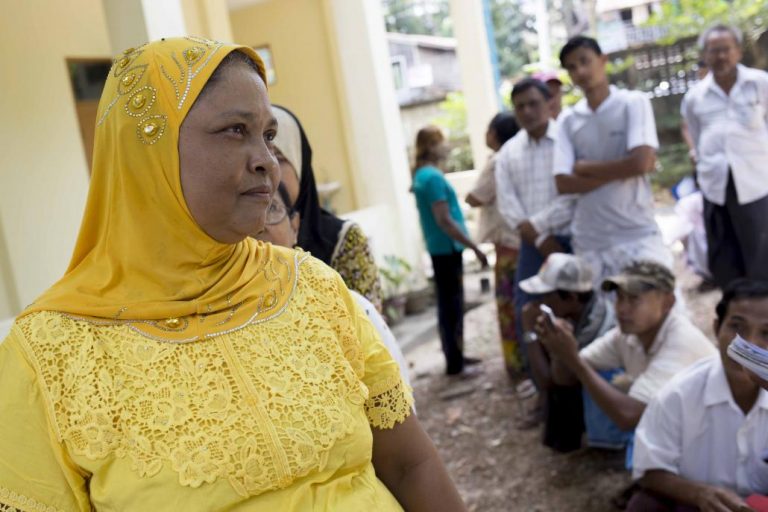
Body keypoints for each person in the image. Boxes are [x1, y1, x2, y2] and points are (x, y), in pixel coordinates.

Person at [0, 38, 466, 511]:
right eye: (234, 130)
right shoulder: (51, 354)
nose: (266, 158)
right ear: (148, 152)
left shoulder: (311, 288)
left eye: (266, 133)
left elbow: (410, 465)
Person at [538, 261, 716, 458]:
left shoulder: (680, 342)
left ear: (667, 303)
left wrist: (572, 359)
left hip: (708, 442)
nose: (622, 309)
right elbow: (566, 378)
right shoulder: (626, 335)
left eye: (634, 300)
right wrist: (558, 351)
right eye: (619, 298)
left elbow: (629, 416)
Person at [630, 279, 768, 512]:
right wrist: (699, 493)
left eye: (766, 332)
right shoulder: (677, 396)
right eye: (737, 327)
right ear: (716, 329)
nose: (750, 345)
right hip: (698, 507)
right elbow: (649, 471)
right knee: (645, 505)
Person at [256, 183, 412, 388]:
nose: (257, 226)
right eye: (241, 214)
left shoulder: (343, 305)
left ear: (295, 226)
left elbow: (395, 404)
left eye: (271, 209)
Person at [554, 36, 673, 285]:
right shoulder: (568, 120)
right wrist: (624, 167)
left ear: (603, 60)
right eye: (572, 67)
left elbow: (640, 163)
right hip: (590, 238)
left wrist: (586, 168)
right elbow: (563, 183)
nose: (581, 71)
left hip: (636, 231)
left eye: (585, 61)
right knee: (605, 318)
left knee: (656, 304)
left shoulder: (632, 103)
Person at [270, 105, 383, 310]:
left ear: (300, 164)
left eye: (279, 158)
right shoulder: (231, 242)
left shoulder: (343, 239)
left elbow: (371, 330)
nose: (268, 170)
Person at [681, 24, 768, 288]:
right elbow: (694, 133)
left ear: (738, 52)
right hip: (715, 187)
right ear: (705, 55)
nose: (720, 56)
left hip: (756, 183)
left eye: (726, 50)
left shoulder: (759, 83)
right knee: (725, 258)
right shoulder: (695, 97)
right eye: (714, 51)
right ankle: (736, 317)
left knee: (761, 256)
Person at [495, 78, 574, 364]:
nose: (527, 111)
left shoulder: (568, 141)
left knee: (576, 307)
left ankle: (579, 380)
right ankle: (543, 385)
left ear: (549, 103)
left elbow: (573, 194)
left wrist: (538, 225)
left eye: (533, 103)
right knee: (527, 310)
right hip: (532, 246)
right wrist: (540, 238)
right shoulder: (508, 152)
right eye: (520, 107)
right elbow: (507, 204)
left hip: (570, 238)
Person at [518, 253, 616, 452]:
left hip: (604, 395)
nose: (541, 302)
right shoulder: (581, 311)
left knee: (562, 387)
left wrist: (529, 331)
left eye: (547, 296)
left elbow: (550, 380)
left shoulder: (595, 329)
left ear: (571, 297)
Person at [411, 125, 487, 376]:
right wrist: (473, 246)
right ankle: (455, 363)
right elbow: (444, 219)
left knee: (450, 305)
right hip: (446, 247)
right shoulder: (431, 177)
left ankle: (457, 357)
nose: (447, 147)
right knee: (452, 306)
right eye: (442, 142)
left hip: (440, 247)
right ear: (431, 146)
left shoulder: (424, 174)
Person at [466, 112, 522, 377]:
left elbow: (475, 197)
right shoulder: (519, 154)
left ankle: (517, 365)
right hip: (522, 241)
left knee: (509, 309)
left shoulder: (498, 161)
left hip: (508, 246)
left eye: (488, 129)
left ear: (497, 133)